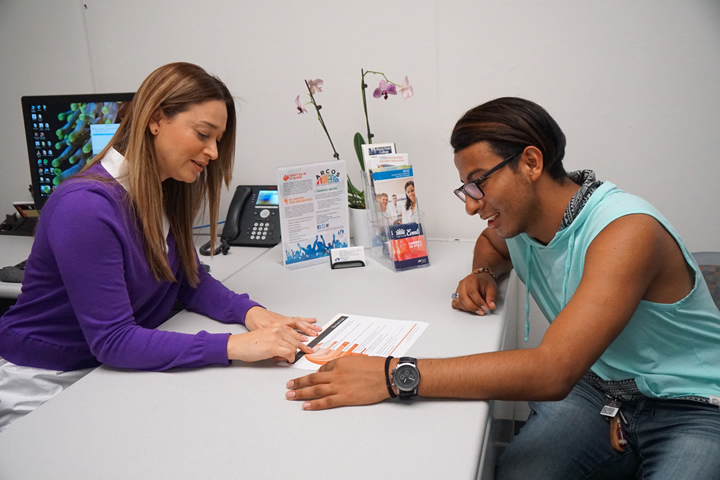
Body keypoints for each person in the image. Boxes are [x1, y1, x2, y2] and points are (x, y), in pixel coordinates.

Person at [285, 97, 720, 479]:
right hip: (601, 388)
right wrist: (484, 274)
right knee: (519, 472)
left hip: (695, 405)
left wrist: (395, 374)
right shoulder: (520, 223)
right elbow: (492, 243)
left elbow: (553, 371)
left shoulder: (628, 232)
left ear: (531, 162)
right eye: (466, 189)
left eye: (479, 183)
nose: (473, 204)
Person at [0, 62, 319, 432]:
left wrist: (251, 313)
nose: (213, 152)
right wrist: (234, 346)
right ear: (155, 120)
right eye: (203, 134)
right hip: (46, 382)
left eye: (218, 140)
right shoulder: (84, 206)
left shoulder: (161, 191)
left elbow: (188, 279)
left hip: (102, 373)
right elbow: (114, 340)